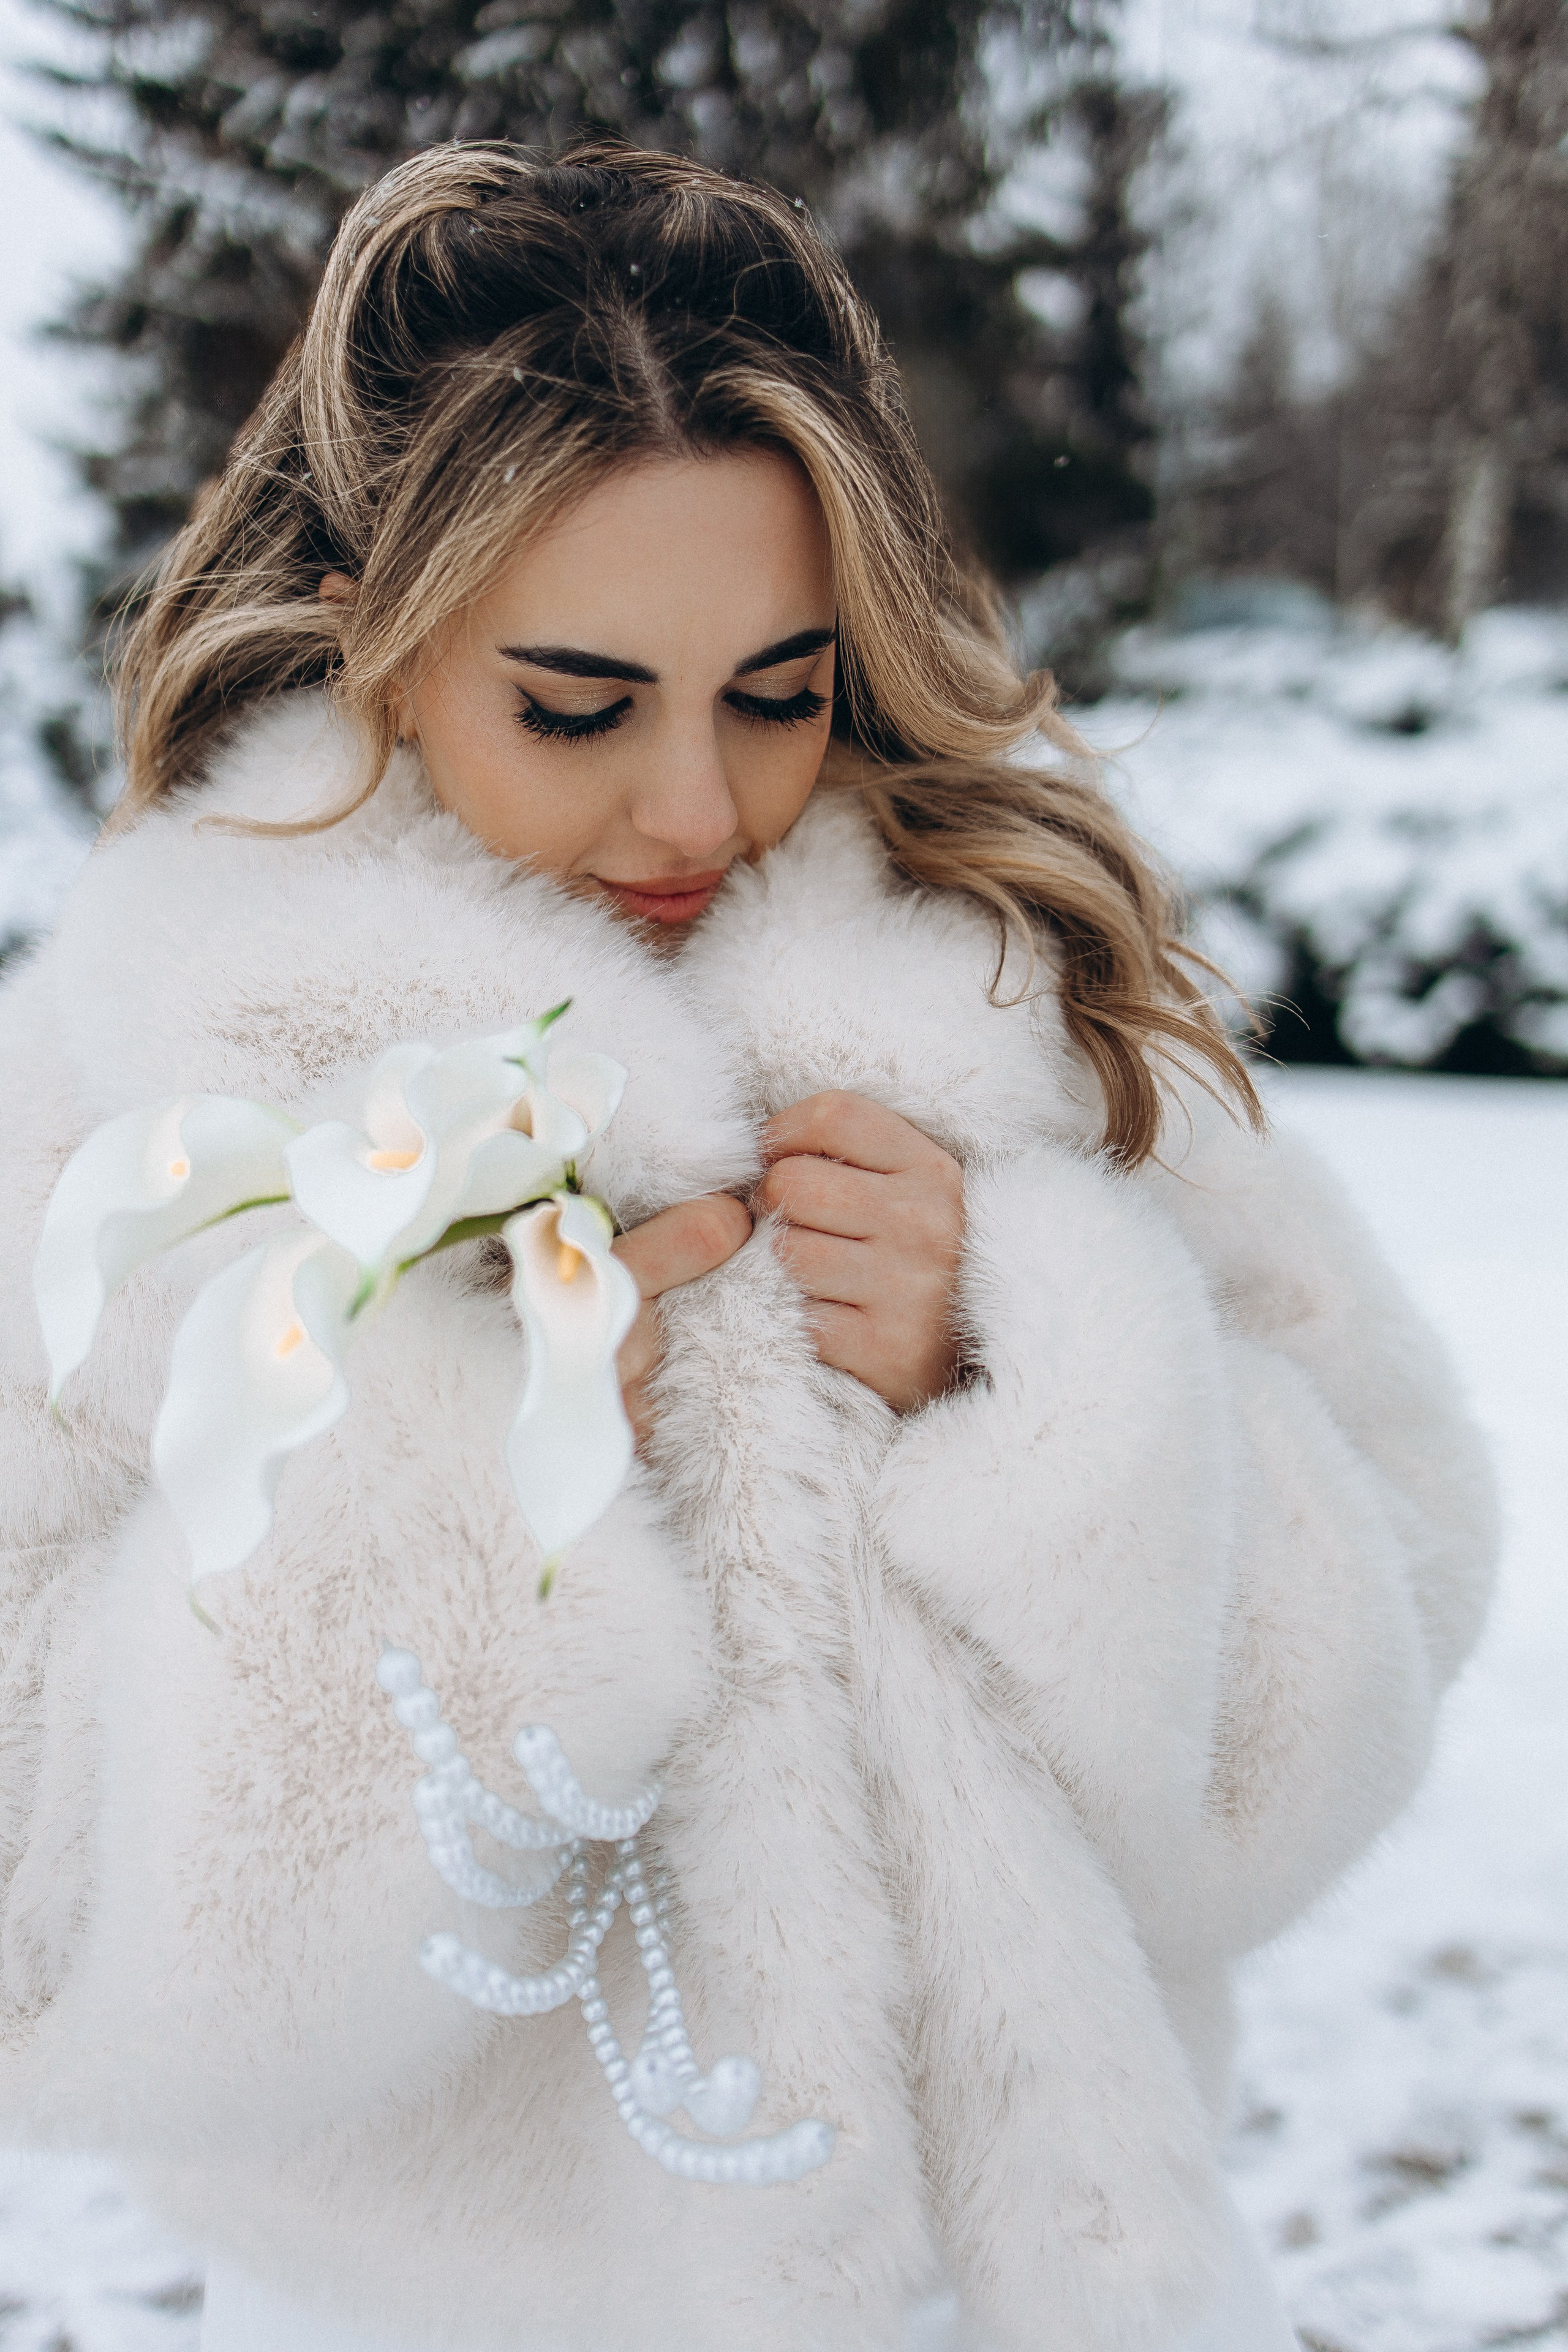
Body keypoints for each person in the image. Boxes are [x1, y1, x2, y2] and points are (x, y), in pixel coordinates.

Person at [0, 140, 1494, 2352]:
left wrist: (1033, 1380)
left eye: (781, 691)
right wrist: (444, 1496)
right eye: (580, 706)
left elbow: (1381, 1638)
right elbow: (45, 1928)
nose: (699, 810)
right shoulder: (159, 1084)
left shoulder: (1005, 994)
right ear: (376, 643)